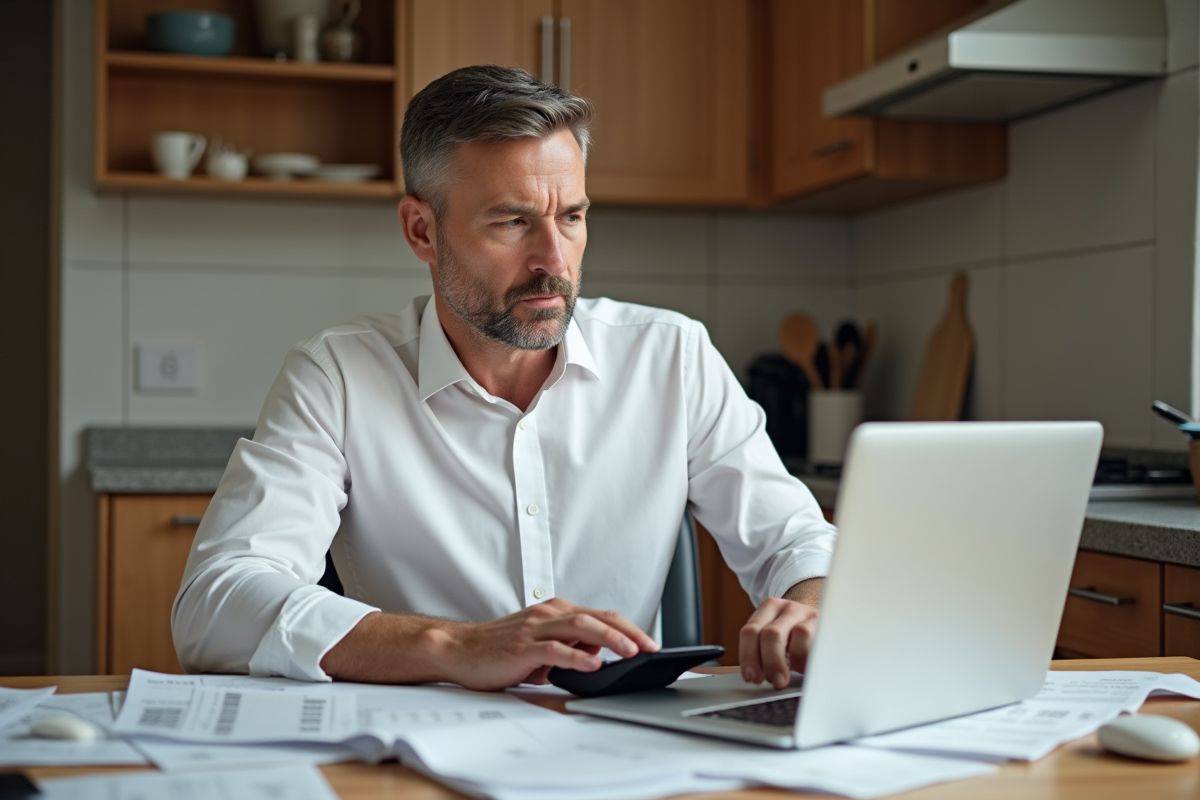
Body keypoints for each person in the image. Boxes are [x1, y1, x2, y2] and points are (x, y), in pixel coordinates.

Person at [172, 65, 837, 692]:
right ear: (421, 230)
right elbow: (215, 600)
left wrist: (808, 604)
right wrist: (456, 646)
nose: (554, 261)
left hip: (626, 747)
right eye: (513, 221)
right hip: (416, 748)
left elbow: (797, 540)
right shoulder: (339, 375)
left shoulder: (673, 357)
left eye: (571, 217)